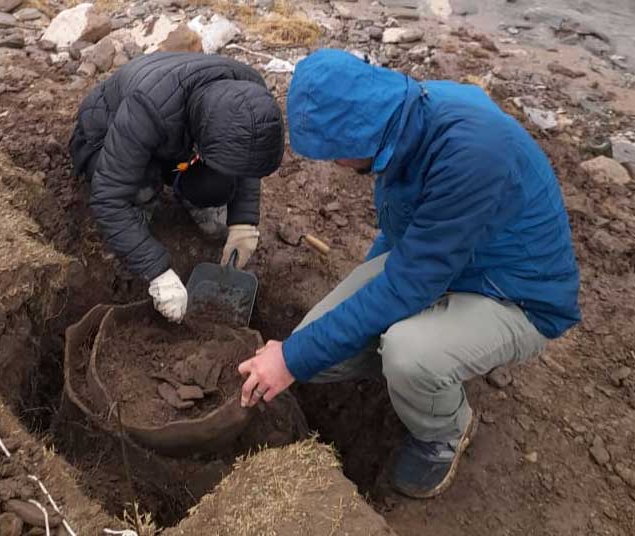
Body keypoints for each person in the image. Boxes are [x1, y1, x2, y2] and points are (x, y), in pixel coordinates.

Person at [237, 49, 581, 499]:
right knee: (317, 350)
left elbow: (408, 284)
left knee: (406, 353)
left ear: (361, 133)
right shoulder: (400, 121)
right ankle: (415, 377)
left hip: (514, 293)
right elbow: (401, 233)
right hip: (445, 263)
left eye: (337, 153)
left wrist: (293, 357)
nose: (336, 164)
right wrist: (324, 338)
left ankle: (445, 432)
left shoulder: (470, 152)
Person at [70, 52, 285, 323]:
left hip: (172, 137)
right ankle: (138, 213)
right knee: (138, 189)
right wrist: (156, 271)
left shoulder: (250, 94)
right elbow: (108, 196)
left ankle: (186, 193)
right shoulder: (146, 107)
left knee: (218, 184)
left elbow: (246, 162)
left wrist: (244, 220)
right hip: (105, 132)